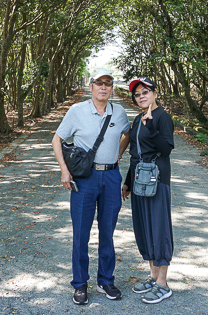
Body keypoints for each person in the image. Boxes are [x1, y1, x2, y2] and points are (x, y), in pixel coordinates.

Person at [52, 69, 130, 306]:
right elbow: (57, 140)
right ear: (91, 86)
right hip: (85, 179)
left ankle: (106, 280)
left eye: (108, 83)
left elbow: (127, 134)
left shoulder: (119, 111)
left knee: (107, 232)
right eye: (99, 83)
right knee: (81, 234)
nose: (104, 87)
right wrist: (65, 170)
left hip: (111, 178)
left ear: (112, 87)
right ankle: (80, 284)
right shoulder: (77, 111)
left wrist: (118, 153)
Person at [121, 76, 174, 304]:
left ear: (154, 93)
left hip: (157, 181)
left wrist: (151, 126)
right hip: (140, 182)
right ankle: (153, 277)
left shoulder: (162, 117)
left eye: (145, 92)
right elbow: (136, 154)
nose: (141, 96)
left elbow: (166, 149)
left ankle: (163, 284)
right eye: (137, 94)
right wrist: (128, 182)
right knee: (144, 229)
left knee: (159, 229)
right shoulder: (138, 118)